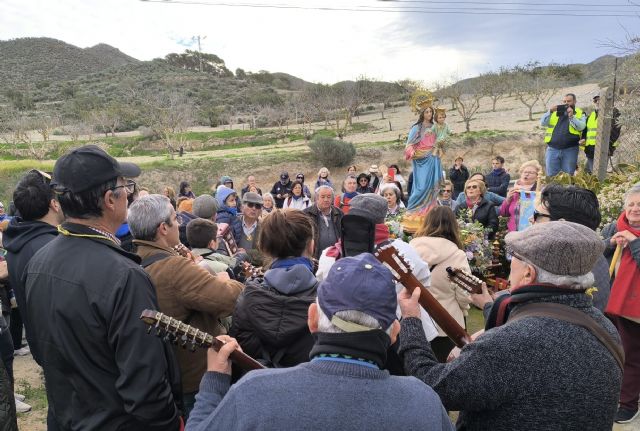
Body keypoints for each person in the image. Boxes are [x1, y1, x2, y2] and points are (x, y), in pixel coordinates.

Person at [187, 253, 453, 431]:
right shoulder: (424, 404)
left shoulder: (253, 393)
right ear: (394, 333)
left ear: (312, 319)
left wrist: (214, 380)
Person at [398, 221, 623, 430]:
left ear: (528, 273)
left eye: (513, 255)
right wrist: (489, 307)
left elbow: (432, 384)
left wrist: (411, 319)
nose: (510, 262)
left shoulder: (509, 345)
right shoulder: (605, 328)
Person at [23, 145, 181, 430]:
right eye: (126, 187)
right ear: (110, 199)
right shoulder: (125, 276)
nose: (129, 195)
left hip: (66, 419)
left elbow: (42, 351)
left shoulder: (38, 261)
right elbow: (146, 388)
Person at [128, 194, 244, 419]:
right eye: (175, 218)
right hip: (196, 378)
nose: (179, 224)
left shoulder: (134, 260)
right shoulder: (173, 268)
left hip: (165, 375)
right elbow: (230, 300)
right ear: (163, 228)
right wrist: (225, 280)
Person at [229, 210, 318, 370]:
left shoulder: (247, 297)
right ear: (311, 245)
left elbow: (240, 353)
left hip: (257, 387)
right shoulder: (326, 301)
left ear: (265, 248)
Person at [527, 184, 610, 312]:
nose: (531, 219)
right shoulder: (588, 255)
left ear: (561, 225)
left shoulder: (568, 267)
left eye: (537, 215)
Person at [409, 206, 472, 362]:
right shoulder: (457, 255)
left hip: (416, 319)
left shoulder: (411, 249)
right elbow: (464, 293)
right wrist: (464, 309)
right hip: (447, 323)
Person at [602, 182, 640, 424]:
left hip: (635, 308)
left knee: (632, 356)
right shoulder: (613, 227)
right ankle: (625, 397)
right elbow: (599, 254)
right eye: (632, 204)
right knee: (622, 354)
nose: (635, 209)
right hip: (616, 303)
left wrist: (634, 243)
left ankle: (628, 403)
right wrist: (611, 243)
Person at [405, 106, 442, 211]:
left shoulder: (435, 127)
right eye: (427, 112)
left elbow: (440, 140)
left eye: (431, 111)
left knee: (432, 185)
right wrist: (413, 152)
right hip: (421, 159)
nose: (429, 114)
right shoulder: (416, 128)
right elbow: (409, 145)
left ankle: (429, 209)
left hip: (433, 157)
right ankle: (413, 209)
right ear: (422, 114)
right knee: (421, 187)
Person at [540, 93, 587, 176]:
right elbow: (543, 123)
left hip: (570, 149)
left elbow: (581, 127)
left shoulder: (580, 112)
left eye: (569, 101)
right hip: (553, 149)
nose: (566, 103)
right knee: (551, 176)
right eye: (564, 101)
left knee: (568, 176)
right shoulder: (554, 112)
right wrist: (550, 111)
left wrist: (572, 116)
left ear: (575, 101)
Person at [580, 95, 623, 173]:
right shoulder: (591, 115)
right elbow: (586, 131)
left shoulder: (613, 112)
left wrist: (607, 145)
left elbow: (615, 131)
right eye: (595, 100)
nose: (597, 102)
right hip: (590, 149)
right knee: (592, 173)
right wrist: (583, 139)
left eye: (600, 99)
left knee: (600, 173)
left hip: (604, 148)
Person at [499, 160, 542, 232]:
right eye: (525, 172)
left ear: (537, 176)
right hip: (514, 233)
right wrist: (508, 199)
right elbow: (503, 213)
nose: (527, 174)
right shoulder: (514, 191)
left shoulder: (540, 192)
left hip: (533, 232)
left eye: (531, 172)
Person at [303, 185, 343, 259]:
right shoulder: (306, 214)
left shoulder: (339, 213)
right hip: (314, 258)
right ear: (316, 198)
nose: (326, 199)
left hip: (336, 258)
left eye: (329, 197)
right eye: (323, 196)